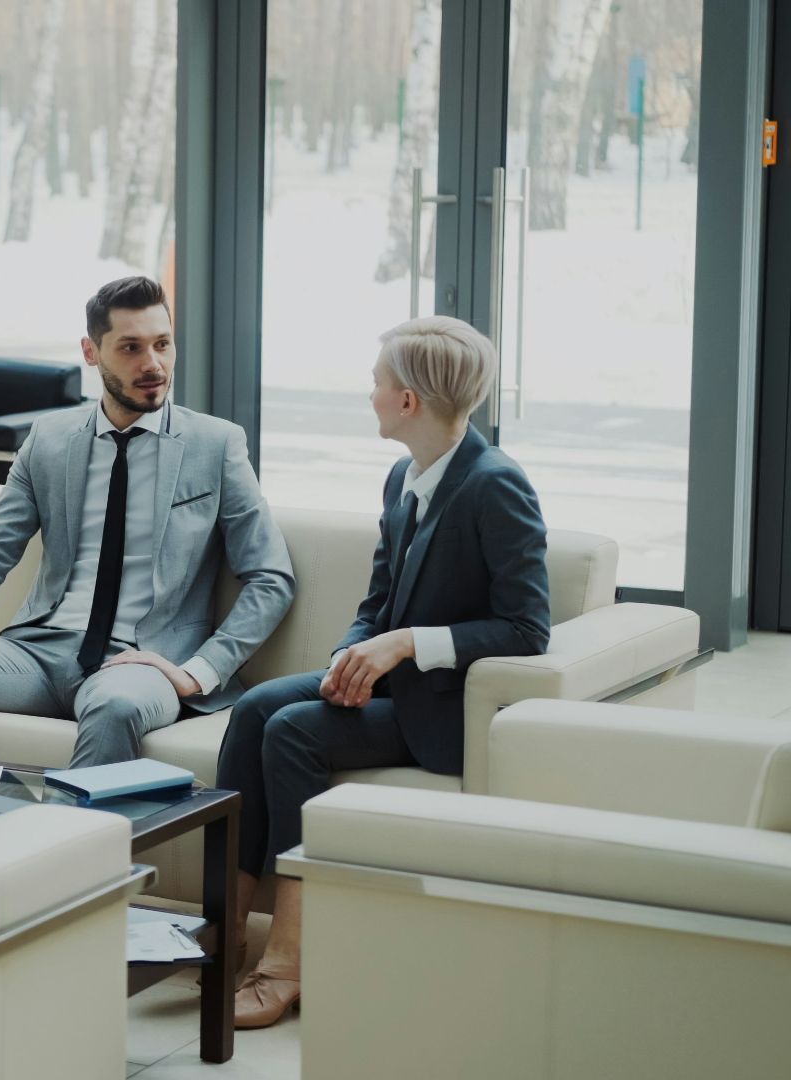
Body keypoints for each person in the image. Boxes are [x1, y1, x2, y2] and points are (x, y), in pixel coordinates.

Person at [218, 316, 551, 1028]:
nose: (368, 395)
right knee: (252, 712)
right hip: (391, 685)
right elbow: (377, 598)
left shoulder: (496, 486)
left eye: (376, 383)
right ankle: (224, 937)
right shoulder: (405, 473)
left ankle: (288, 961)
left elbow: (528, 628)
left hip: (442, 708)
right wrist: (353, 653)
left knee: (294, 733)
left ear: (408, 401)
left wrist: (403, 646)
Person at [0, 276, 294, 767]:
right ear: (92, 352)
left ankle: (78, 842)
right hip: (38, 652)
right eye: (131, 348)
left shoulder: (216, 445)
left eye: (162, 345)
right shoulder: (49, 440)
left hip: (143, 661)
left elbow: (271, 577)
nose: (152, 364)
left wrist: (200, 671)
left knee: (115, 705)